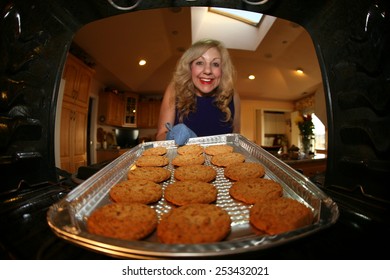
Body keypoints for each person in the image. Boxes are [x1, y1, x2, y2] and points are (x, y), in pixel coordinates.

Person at [155, 39, 240, 141]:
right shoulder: (174, 90)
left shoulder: (232, 96)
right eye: (200, 62)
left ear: (222, 70)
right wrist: (170, 136)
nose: (208, 70)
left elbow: (236, 137)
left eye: (215, 64)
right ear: (190, 67)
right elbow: (160, 135)